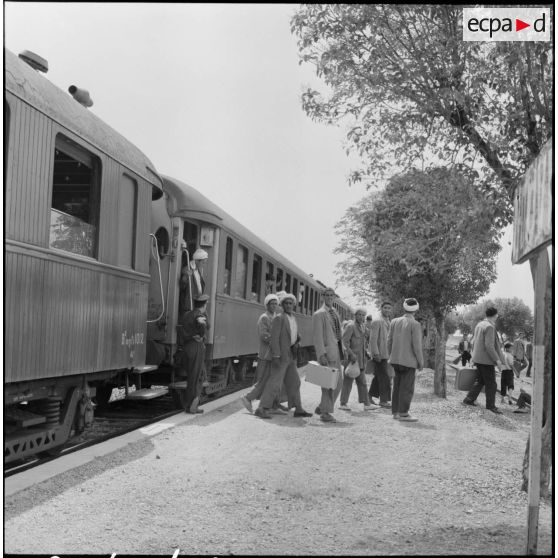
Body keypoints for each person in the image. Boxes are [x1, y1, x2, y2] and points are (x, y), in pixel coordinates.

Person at [254, 293, 312, 419]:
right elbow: (274, 339)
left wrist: (297, 338)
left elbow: (293, 333)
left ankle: (298, 408)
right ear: (282, 305)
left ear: (294, 305)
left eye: (291, 303)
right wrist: (276, 356)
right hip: (281, 356)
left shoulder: (293, 318)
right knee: (274, 382)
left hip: (291, 354)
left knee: (295, 381)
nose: (288, 305)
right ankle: (262, 408)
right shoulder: (279, 318)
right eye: (286, 303)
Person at [240, 293, 289, 415]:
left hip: (274, 354)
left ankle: (274, 404)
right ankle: (247, 397)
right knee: (264, 380)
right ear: (266, 305)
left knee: (274, 380)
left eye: (275, 304)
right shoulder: (264, 317)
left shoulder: (275, 316)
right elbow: (264, 335)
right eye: (271, 304)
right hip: (267, 355)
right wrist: (278, 339)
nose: (274, 306)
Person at [462, 306, 505, 414]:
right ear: (495, 315)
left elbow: (474, 341)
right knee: (492, 384)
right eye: (497, 315)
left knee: (480, 381)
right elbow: (489, 346)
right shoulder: (490, 327)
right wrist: (497, 360)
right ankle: (491, 406)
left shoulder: (479, 324)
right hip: (486, 360)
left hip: (478, 358)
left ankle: (469, 399)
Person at [387, 298, 424, 422]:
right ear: (416, 310)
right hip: (409, 361)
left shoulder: (394, 321)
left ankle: (396, 412)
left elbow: (389, 341)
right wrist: (421, 362)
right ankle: (403, 413)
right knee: (407, 388)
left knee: (397, 386)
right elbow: (417, 347)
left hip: (395, 359)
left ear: (404, 307)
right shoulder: (415, 324)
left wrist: (390, 356)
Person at [312, 287, 344, 423]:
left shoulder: (335, 312)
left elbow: (338, 334)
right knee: (327, 384)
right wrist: (321, 355)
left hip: (336, 352)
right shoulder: (319, 314)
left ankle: (323, 406)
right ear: (323, 297)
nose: (330, 297)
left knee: (338, 382)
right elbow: (317, 337)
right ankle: (325, 413)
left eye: (332, 295)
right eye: (327, 295)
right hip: (327, 354)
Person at [175, 294, 210, 414]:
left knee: (192, 376)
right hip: (196, 347)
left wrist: (190, 336)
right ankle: (192, 405)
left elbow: (180, 328)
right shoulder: (200, 315)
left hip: (186, 347)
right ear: (204, 305)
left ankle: (189, 404)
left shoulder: (186, 315)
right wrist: (200, 335)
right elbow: (204, 327)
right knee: (197, 376)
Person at [339, 308, 378, 412]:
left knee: (362, 382)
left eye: (363, 315)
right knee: (348, 382)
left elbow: (363, 343)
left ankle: (366, 404)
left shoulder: (363, 327)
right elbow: (344, 342)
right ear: (355, 315)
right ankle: (343, 403)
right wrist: (351, 354)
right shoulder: (350, 326)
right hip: (351, 360)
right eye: (359, 315)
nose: (361, 317)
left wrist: (366, 353)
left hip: (361, 360)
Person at [368, 301, 393, 408]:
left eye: (389, 308)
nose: (387, 310)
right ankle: (383, 400)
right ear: (381, 308)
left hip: (386, 354)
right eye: (385, 308)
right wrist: (375, 353)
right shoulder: (377, 321)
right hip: (379, 354)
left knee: (379, 376)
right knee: (385, 377)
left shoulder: (389, 321)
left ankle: (368, 396)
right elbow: (372, 339)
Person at [179, 247, 208, 316]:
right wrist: (185, 277)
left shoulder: (197, 270)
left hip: (196, 304)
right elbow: (181, 286)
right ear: (197, 261)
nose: (204, 265)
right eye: (203, 262)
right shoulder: (187, 269)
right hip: (189, 305)